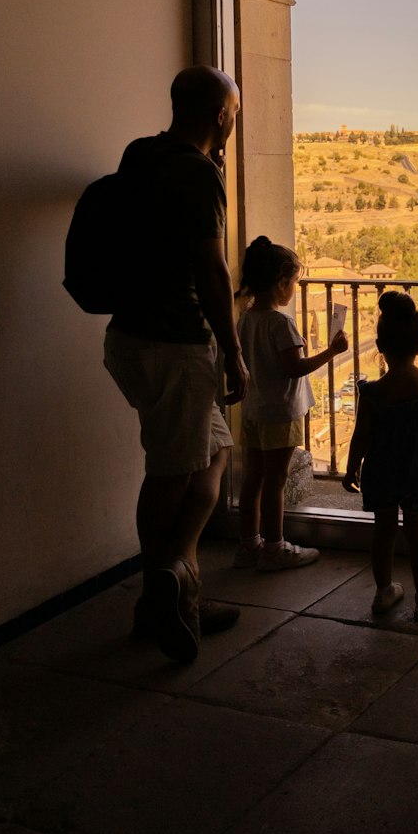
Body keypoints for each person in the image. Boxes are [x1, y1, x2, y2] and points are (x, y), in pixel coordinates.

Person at [103, 66, 250, 663]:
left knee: (211, 451)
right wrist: (233, 350)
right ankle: (168, 585)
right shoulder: (198, 173)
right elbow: (212, 274)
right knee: (170, 470)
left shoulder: (140, 155)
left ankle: (173, 578)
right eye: (233, 113)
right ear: (221, 116)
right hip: (177, 345)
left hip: (128, 337)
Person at [234, 236, 349, 570]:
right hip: (281, 412)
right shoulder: (281, 323)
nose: (294, 290)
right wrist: (332, 352)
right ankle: (274, 547)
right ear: (281, 283)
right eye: (295, 283)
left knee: (253, 479)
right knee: (276, 480)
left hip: (254, 409)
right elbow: (294, 368)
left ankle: (248, 545)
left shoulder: (245, 318)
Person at [341, 291, 418, 621]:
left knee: (383, 531)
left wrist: (351, 468)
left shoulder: (372, 393)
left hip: (382, 472)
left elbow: (362, 436)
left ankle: (384, 591)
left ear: (380, 346)